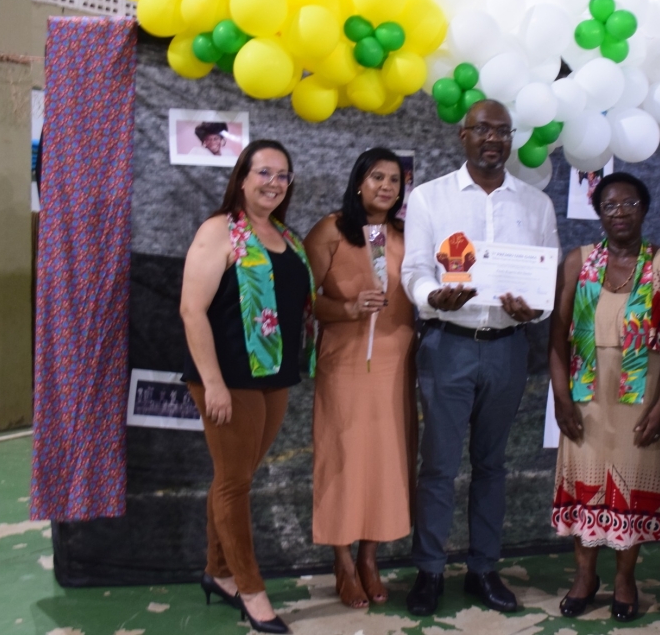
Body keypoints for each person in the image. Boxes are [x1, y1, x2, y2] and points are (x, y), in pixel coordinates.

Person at [401, 99, 560, 616]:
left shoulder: (536, 204)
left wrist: (533, 309)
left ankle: (483, 569)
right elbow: (415, 269)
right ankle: (428, 571)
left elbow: (547, 284)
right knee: (439, 467)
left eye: (503, 131)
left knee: (493, 466)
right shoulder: (429, 198)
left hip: (507, 350)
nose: (493, 139)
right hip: (447, 345)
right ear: (462, 136)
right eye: (482, 130)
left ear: (512, 139)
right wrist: (431, 298)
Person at [180, 140, 315, 634]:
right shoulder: (219, 232)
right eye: (264, 173)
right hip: (229, 379)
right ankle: (251, 590)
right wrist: (212, 382)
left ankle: (217, 573)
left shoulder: (288, 237)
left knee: (233, 479)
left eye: (283, 175)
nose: (274, 183)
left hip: (272, 378)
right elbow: (192, 310)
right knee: (235, 484)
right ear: (242, 177)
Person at [549, 173, 660, 622]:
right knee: (584, 482)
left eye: (629, 204)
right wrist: (562, 400)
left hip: (640, 399)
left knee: (631, 485)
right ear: (598, 213)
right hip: (586, 398)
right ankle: (585, 576)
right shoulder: (578, 261)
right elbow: (556, 339)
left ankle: (626, 578)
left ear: (645, 209)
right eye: (609, 205)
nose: (620, 213)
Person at [303, 148, 417, 609]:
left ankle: (370, 558)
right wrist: (348, 308)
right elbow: (305, 298)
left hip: (394, 359)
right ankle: (342, 561)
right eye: (377, 177)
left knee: (386, 460)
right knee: (344, 457)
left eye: (394, 180)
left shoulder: (407, 234)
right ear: (358, 182)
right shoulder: (330, 230)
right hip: (345, 361)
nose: (386, 186)